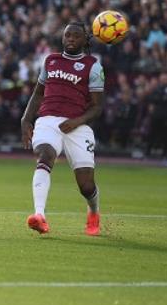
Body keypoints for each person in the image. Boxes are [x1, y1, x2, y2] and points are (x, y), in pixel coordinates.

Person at [21, 22, 105, 236]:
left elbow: (97, 107)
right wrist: (26, 119)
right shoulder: (51, 60)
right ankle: (39, 216)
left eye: (75, 36)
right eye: (67, 35)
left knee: (86, 186)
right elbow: (38, 94)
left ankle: (93, 211)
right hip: (48, 120)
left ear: (85, 40)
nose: (70, 39)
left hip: (77, 125)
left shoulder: (93, 66)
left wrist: (76, 121)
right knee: (45, 155)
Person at [145, 72, 167, 158]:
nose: (164, 78)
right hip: (156, 114)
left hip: (166, 114)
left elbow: (166, 99)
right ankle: (148, 151)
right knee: (152, 133)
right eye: (163, 77)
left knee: (165, 135)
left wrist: (156, 100)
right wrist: (154, 100)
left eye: (166, 77)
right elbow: (150, 98)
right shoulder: (156, 88)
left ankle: (164, 153)